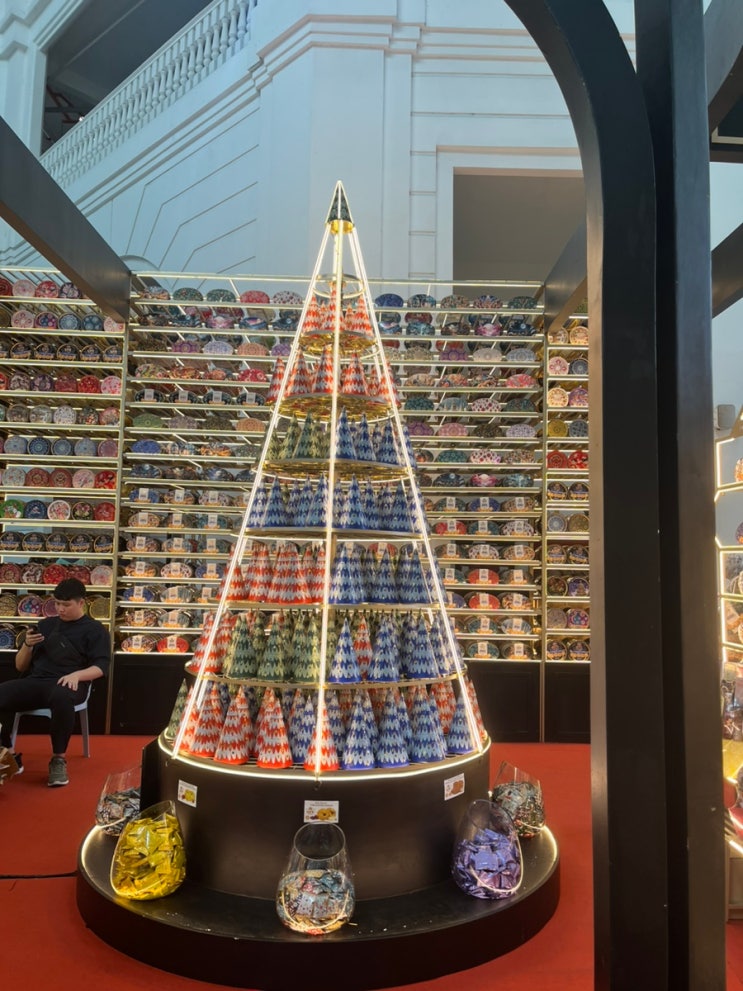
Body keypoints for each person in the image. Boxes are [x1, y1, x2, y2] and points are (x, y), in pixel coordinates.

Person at [0, 578, 110, 787]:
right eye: (57, 603)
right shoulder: (45, 625)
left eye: (66, 605)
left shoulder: (95, 630)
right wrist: (27, 646)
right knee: (2, 693)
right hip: (38, 681)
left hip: (71, 683)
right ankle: (9, 754)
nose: (60, 609)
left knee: (62, 696)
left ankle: (58, 759)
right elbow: (20, 667)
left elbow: (101, 667)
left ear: (81, 602)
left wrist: (77, 675)